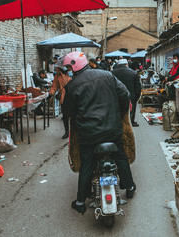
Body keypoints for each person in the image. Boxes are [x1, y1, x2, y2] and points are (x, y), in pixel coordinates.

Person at [63, 51, 136, 214]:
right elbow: (125, 95)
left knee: (87, 163)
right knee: (121, 156)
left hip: (88, 134)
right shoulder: (107, 75)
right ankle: (130, 187)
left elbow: (68, 112)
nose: (68, 70)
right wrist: (119, 113)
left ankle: (81, 201)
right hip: (112, 129)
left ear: (74, 65)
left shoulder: (72, 85)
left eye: (68, 67)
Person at [112, 59, 142, 127]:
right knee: (131, 109)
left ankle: (118, 122)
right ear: (127, 64)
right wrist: (136, 97)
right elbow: (138, 87)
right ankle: (131, 122)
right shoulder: (133, 73)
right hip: (131, 95)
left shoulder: (112, 73)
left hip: (117, 95)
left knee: (118, 109)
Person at [49, 65, 72, 139]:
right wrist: (51, 92)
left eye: (58, 69)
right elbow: (54, 85)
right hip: (63, 96)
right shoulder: (57, 75)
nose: (56, 70)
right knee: (65, 116)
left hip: (73, 95)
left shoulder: (71, 73)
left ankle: (73, 132)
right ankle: (67, 132)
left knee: (73, 115)